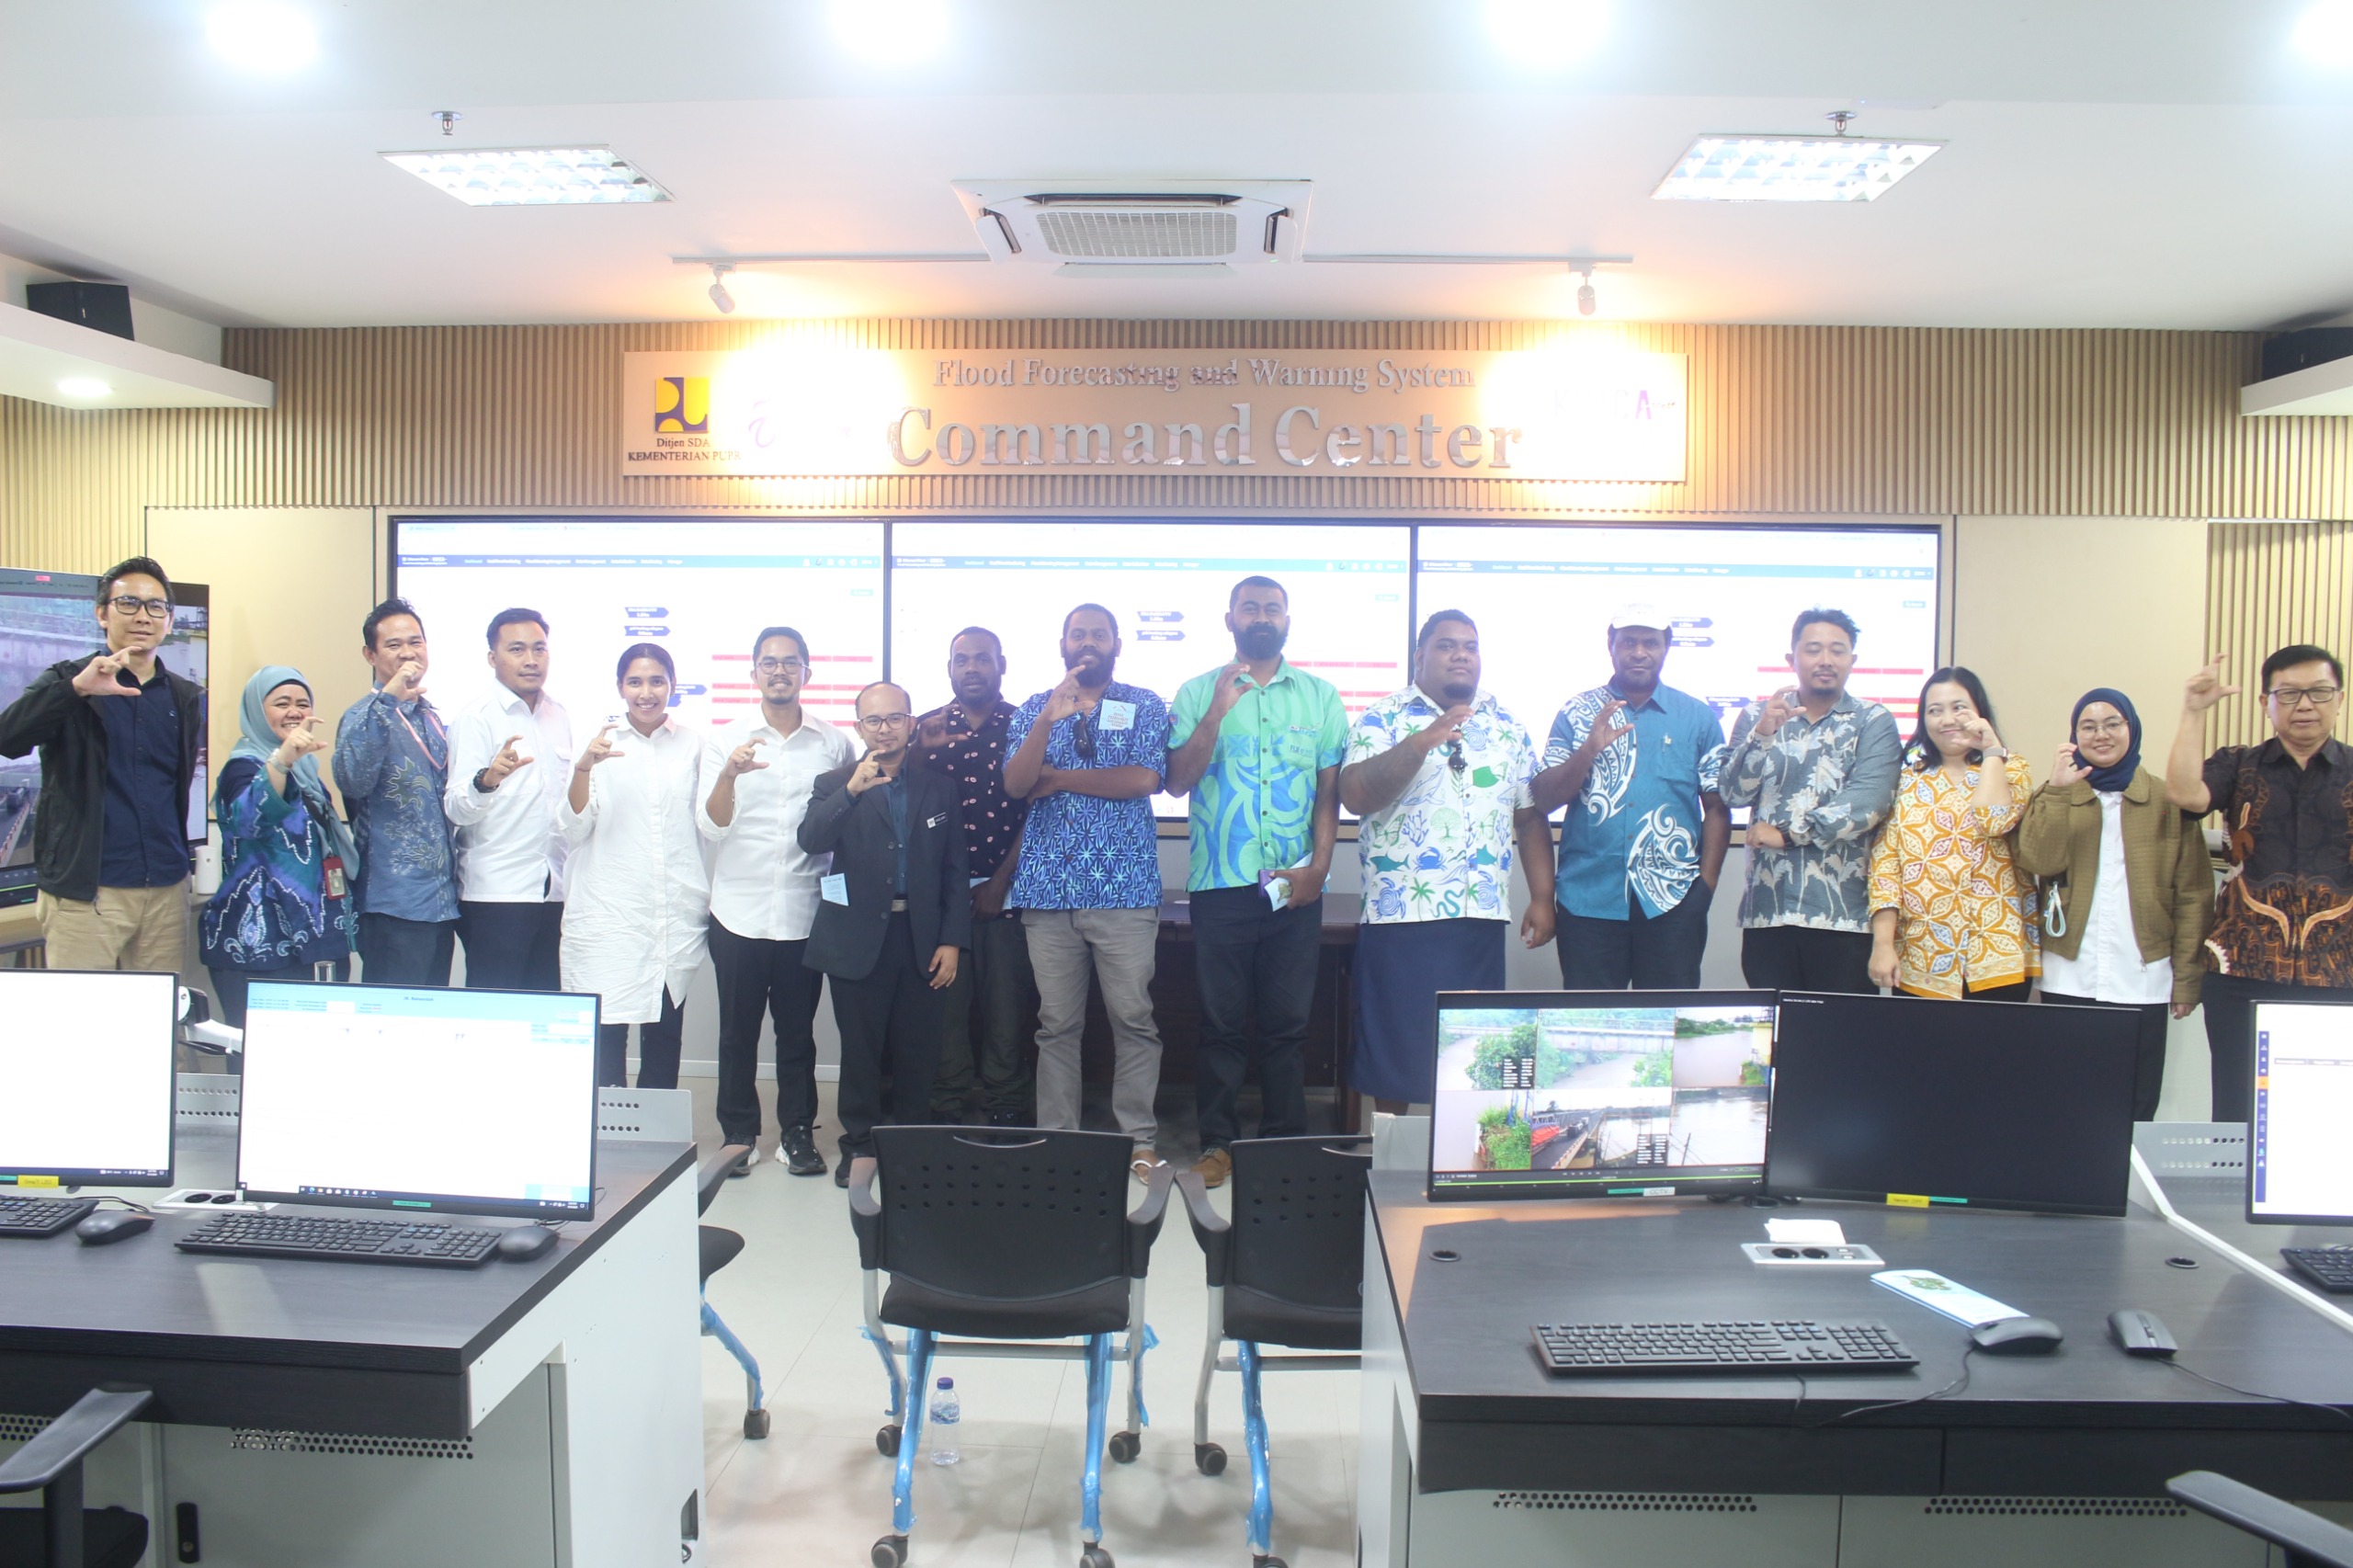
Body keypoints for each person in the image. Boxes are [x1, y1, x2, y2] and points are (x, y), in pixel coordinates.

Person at [1165, 575, 1347, 1188]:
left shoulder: (1320, 697)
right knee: (1220, 1024)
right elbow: (1178, 781)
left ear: (1287, 620)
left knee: (1287, 1025)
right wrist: (1217, 713)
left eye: (1272, 608)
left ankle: (1282, 1146)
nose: (1262, 617)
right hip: (1221, 883)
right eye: (1251, 608)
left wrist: (1319, 870)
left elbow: (1329, 794)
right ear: (1230, 620)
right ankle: (1217, 1144)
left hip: (1296, 886)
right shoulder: (1197, 692)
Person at [1340, 609, 1549, 1112]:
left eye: (1470, 647)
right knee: (1395, 1056)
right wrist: (1422, 741)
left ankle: (1461, 1153)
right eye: (1446, 645)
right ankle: (1391, 1154)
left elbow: (1529, 817)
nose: (1461, 655)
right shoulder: (1383, 718)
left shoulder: (1506, 725)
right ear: (1420, 657)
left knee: (1472, 1057)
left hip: (1480, 918)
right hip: (1402, 916)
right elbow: (1355, 795)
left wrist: (1543, 896)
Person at [1004, 605, 1170, 1176]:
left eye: (1100, 634)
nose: (1089, 642)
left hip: (1125, 890)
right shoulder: (1034, 707)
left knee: (1134, 1020)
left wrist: (1058, 779)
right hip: (1047, 893)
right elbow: (1017, 784)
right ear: (1063, 645)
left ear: (1117, 644)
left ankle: (1139, 1141)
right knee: (1056, 1026)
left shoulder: (1144, 703)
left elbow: (1143, 779)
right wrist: (1046, 722)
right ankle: (1059, 1141)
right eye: (1079, 634)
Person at [2165, 645, 2350, 1121]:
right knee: (2238, 1108)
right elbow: (2184, 794)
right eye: (2288, 694)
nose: (2304, 705)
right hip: (2242, 967)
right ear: (2265, 702)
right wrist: (2193, 710)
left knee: (2328, 1115)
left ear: (2339, 698)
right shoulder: (2240, 764)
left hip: (2340, 971)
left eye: (2318, 692)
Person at [697, 625, 857, 1175]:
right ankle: (738, 1135)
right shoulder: (725, 739)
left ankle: (797, 1134)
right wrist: (729, 776)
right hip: (736, 912)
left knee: (797, 1035)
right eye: (769, 663)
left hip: (804, 912)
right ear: (754, 673)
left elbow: (843, 822)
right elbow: (711, 827)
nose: (780, 671)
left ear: (807, 672)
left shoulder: (834, 743)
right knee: (736, 1034)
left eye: (790, 662)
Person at [800, 681, 971, 1186]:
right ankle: (858, 1146)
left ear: (911, 723)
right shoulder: (834, 783)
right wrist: (852, 791)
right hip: (855, 938)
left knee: (919, 1050)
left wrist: (952, 940)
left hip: (921, 936)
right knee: (861, 1052)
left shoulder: (939, 787)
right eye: (873, 720)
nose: (885, 729)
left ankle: (910, 1147)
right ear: (859, 728)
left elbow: (955, 870)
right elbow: (811, 840)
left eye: (895, 718)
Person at [2016, 687, 2212, 1120]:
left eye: (2112, 724)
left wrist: (2186, 980)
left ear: (2131, 729)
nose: (2100, 734)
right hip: (2069, 973)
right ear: (2074, 736)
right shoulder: (2056, 793)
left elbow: (2194, 895)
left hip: (2144, 975)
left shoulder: (2167, 799)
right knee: (2066, 1098)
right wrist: (2058, 792)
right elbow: (2038, 861)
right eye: (2088, 726)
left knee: (2136, 1101)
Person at [0, 557, 203, 974]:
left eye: (156, 606)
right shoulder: (68, 679)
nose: (143, 616)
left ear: (168, 620)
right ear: (102, 614)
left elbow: (175, 785)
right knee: (82, 1012)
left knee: (157, 1011)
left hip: (166, 888)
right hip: (87, 892)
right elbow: (8, 738)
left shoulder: (183, 695)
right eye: (128, 603)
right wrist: (75, 690)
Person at [1534, 602, 1730, 990]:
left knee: (1667, 1017)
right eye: (1628, 642)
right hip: (1587, 900)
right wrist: (1587, 753)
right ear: (1611, 644)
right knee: (1588, 1019)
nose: (1639, 652)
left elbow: (1717, 810)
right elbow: (1542, 800)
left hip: (1673, 900)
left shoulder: (1698, 717)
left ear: (1666, 646)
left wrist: (1704, 887)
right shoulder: (1576, 712)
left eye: (1650, 643)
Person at [1718, 608, 1904, 994]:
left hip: (1842, 916)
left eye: (1837, 650)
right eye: (1814, 649)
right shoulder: (1756, 716)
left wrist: (1788, 834)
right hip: (1768, 913)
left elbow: (1868, 802)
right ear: (1792, 658)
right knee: (1776, 1025)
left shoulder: (1873, 720)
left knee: (1843, 1026)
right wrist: (1762, 736)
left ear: (1852, 659)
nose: (1826, 660)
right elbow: (1733, 794)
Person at [560, 643, 711, 1090]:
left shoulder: (693, 745)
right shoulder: (598, 745)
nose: (647, 693)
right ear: (620, 687)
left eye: (657, 681)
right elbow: (574, 827)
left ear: (672, 685)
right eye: (635, 682)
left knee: (664, 1032)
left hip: (670, 911)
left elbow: (709, 823)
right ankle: (608, 1126)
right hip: (609, 911)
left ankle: (656, 1128)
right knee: (607, 1030)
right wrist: (584, 769)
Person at [915, 627, 1034, 1126]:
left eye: (982, 659)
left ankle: (1006, 1105)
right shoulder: (926, 730)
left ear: (1001, 665)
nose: (971, 668)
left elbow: (1039, 810)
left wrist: (1000, 882)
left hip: (1005, 893)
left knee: (1007, 1009)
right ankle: (947, 1104)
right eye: (961, 659)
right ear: (949, 669)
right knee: (944, 1010)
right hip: (939, 901)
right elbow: (897, 797)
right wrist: (919, 751)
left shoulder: (1026, 725)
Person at [198, 667, 360, 1027]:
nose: (294, 712)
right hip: (259, 945)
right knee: (260, 1053)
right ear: (257, 711)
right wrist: (281, 760)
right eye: (281, 703)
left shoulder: (307, 770)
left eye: (303, 703)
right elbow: (249, 820)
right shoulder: (242, 767)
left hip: (317, 938)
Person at [1865, 667, 2039, 1000]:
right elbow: (1886, 868)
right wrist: (1882, 944)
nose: (1947, 720)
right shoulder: (1905, 781)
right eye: (1935, 710)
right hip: (1923, 955)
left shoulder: (2012, 768)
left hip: (1997, 954)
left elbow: (1994, 821)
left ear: (1980, 712)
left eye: (1959, 708)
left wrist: (1991, 751)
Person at [443, 608, 571, 991]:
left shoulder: (558, 715)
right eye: (517, 649)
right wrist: (487, 781)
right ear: (492, 658)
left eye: (539, 649)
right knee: (494, 1009)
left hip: (552, 890)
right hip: (496, 895)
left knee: (545, 1007)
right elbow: (456, 808)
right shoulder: (476, 718)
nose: (531, 660)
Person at [332, 597, 458, 986]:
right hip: (393, 903)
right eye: (394, 645)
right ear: (370, 655)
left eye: (415, 642)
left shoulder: (431, 716)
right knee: (392, 1015)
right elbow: (353, 782)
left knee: (431, 1011)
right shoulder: (362, 716)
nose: (408, 653)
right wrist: (388, 700)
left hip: (440, 901)